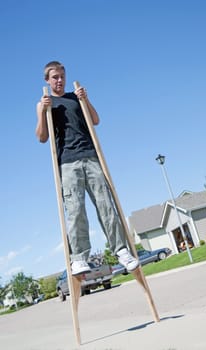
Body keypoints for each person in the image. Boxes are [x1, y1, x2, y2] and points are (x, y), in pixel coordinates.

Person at [36, 61, 139, 275]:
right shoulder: (44, 103)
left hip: (91, 157)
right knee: (75, 211)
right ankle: (79, 258)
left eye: (62, 76)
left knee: (106, 205)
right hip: (67, 162)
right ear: (47, 79)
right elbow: (42, 137)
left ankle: (121, 251)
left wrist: (85, 99)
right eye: (55, 77)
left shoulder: (75, 98)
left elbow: (95, 120)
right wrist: (43, 111)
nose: (59, 80)